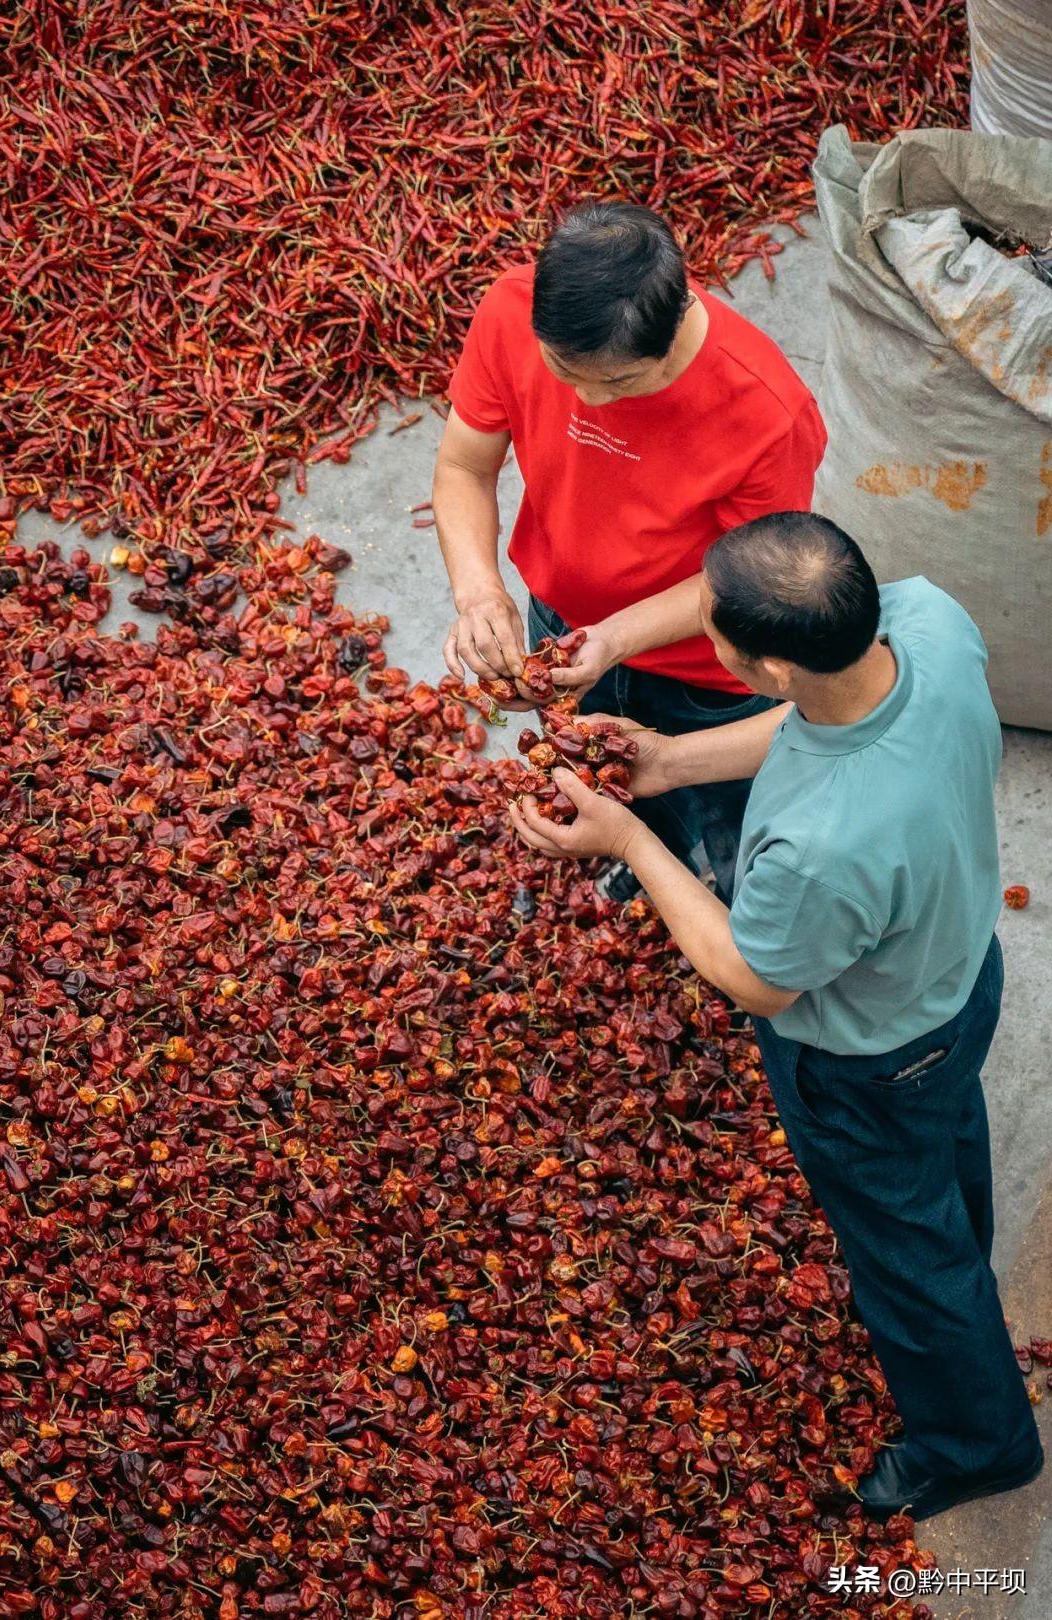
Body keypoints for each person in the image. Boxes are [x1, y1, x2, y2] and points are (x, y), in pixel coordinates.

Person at [509, 511, 1043, 1522]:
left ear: (771, 668)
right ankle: (956, 1251)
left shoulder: (818, 851)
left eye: (716, 630)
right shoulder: (927, 622)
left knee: (900, 1247)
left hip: (872, 1056)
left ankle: (977, 1441)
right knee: (940, 1153)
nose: (703, 638)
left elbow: (754, 978)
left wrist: (632, 841)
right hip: (956, 971)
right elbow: (817, 726)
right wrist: (670, 761)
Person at [433, 200, 826, 905]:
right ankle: (650, 865)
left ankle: (741, 922)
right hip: (562, 623)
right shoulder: (508, 312)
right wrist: (479, 591)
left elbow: (749, 581)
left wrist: (615, 636)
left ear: (675, 329)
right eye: (563, 368)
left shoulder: (765, 411)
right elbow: (465, 467)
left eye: (618, 382)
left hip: (705, 669)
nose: (586, 398)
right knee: (609, 776)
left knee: (735, 815)